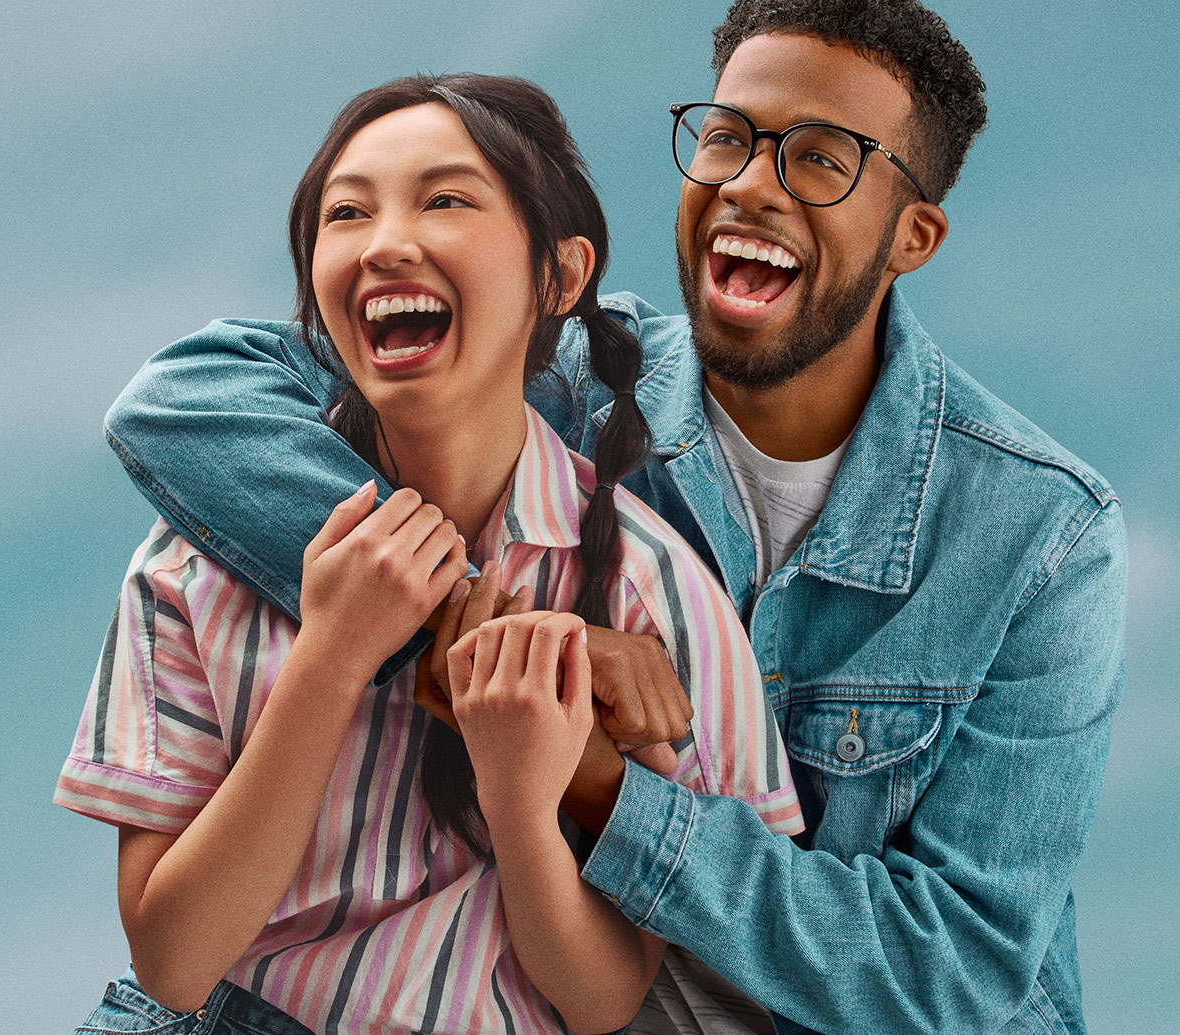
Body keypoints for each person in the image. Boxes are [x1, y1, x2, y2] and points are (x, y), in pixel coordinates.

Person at [102, 0, 1127, 1035]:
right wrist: (465, 621)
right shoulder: (566, 372)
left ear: (912, 236)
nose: (752, 184)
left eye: (820, 159)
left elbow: (948, 974)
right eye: (728, 137)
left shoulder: (1044, 535)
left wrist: (594, 777)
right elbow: (187, 399)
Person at [58, 74, 802, 1034]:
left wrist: (522, 795)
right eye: (346, 213)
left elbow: (604, 996)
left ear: (560, 277)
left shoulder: (652, 592)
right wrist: (332, 654)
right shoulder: (194, 563)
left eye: (446, 199)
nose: (386, 242)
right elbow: (172, 959)